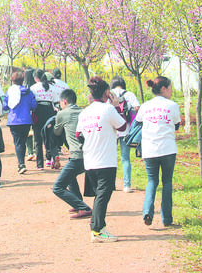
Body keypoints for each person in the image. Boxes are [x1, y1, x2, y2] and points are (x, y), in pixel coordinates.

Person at [76, 77, 127, 242]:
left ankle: (97, 225)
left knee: (100, 195)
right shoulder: (108, 110)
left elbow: (78, 135)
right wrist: (117, 107)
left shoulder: (85, 112)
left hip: (89, 159)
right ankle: (97, 231)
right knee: (103, 195)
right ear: (107, 93)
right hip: (105, 160)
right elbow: (123, 126)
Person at [136, 76, 181, 227]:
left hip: (149, 149)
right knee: (167, 182)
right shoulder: (172, 105)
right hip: (168, 149)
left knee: (152, 181)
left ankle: (147, 212)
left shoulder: (145, 106)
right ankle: (166, 219)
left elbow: (138, 122)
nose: (171, 91)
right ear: (163, 89)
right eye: (170, 88)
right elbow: (176, 125)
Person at [52, 88, 93, 219]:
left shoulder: (63, 114)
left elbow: (56, 132)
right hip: (89, 154)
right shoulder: (84, 111)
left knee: (57, 187)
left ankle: (84, 208)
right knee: (70, 177)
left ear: (64, 101)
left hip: (77, 156)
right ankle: (77, 202)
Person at [110, 75, 141, 193]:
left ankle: (111, 184)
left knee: (111, 158)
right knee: (125, 158)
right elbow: (137, 108)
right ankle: (127, 185)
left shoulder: (110, 94)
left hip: (112, 130)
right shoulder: (130, 94)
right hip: (125, 130)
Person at [3, 71, 37, 174]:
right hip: (26, 120)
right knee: (22, 142)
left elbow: (5, 106)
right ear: (22, 80)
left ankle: (21, 164)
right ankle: (21, 163)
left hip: (14, 121)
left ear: (12, 81)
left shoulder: (10, 92)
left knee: (18, 143)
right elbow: (34, 105)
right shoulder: (28, 92)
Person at [30, 69, 57, 170]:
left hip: (38, 112)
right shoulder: (52, 87)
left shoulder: (33, 87)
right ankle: (51, 159)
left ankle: (40, 164)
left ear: (36, 78)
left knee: (37, 139)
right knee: (50, 136)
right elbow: (55, 101)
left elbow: (31, 101)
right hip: (50, 111)